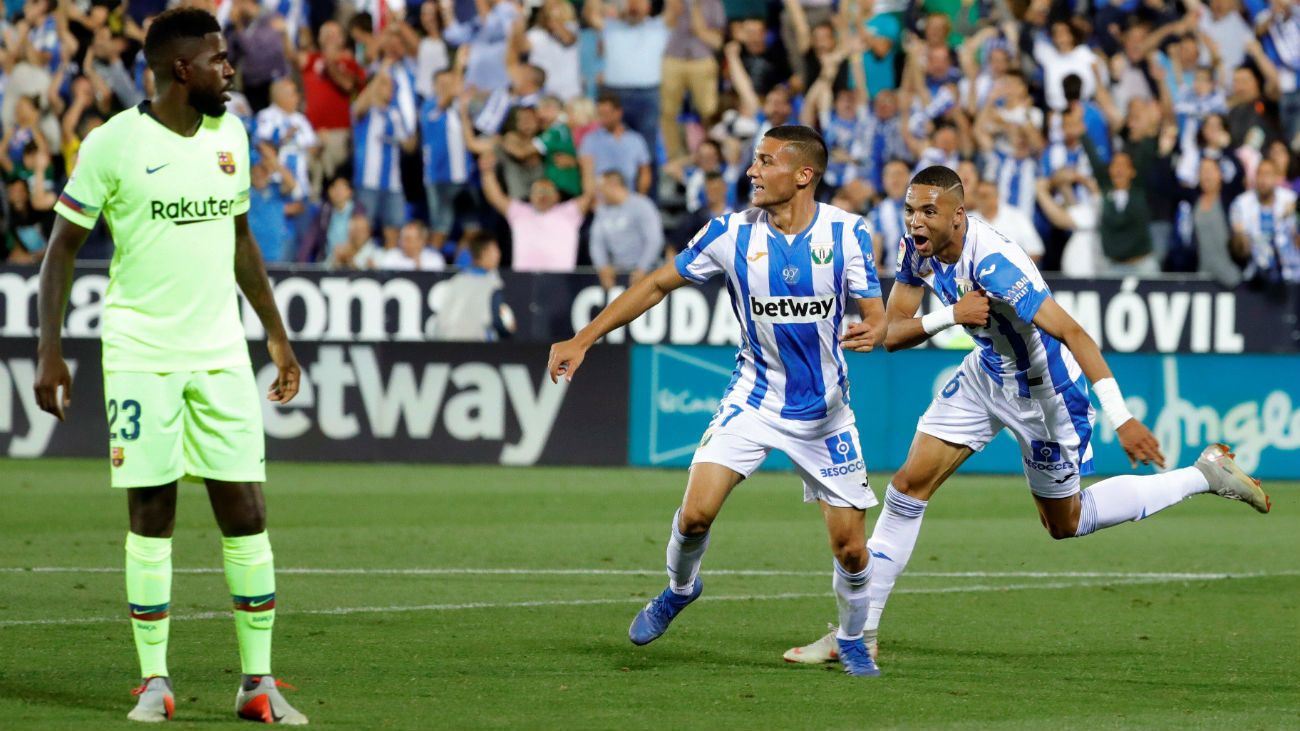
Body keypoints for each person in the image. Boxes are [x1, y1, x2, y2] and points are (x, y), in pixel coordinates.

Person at [783, 165, 1270, 668]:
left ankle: (1203, 475)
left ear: (958, 214)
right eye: (910, 210)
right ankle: (859, 633)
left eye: (929, 211)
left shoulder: (995, 264)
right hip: (985, 374)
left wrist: (1122, 418)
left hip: (1044, 395)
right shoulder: (917, 249)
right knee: (907, 487)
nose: (915, 221)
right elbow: (893, 333)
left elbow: (1074, 333)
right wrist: (951, 315)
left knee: (1065, 522)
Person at [32, 8, 308, 724]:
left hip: (220, 352)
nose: (230, 69)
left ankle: (257, 683)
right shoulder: (112, 144)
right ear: (181, 69)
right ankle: (154, 681)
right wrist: (50, 349)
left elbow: (241, 238)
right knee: (151, 512)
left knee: (247, 511)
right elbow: (61, 248)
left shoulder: (232, 135)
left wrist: (276, 335)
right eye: (218, 58)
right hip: (141, 354)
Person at [547, 125, 888, 677]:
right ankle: (680, 588)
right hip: (752, 401)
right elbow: (656, 285)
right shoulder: (729, 233)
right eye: (754, 160)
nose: (752, 170)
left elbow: (876, 313)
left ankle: (851, 639)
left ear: (803, 174)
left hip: (825, 415)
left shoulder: (848, 233)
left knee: (851, 548)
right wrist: (583, 338)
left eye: (766, 161)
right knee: (695, 515)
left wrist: (873, 329)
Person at [478, 148, 592, 272]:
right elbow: (495, 197)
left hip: (561, 278)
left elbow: (589, 195)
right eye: (538, 191)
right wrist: (487, 172)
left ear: (557, 197)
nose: (542, 195)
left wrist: (587, 169)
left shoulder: (569, 212)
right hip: (524, 278)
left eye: (547, 191)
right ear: (531, 196)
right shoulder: (519, 211)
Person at [430, 229, 516, 341]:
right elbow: (501, 324)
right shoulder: (491, 284)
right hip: (475, 346)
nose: (499, 254)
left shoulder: (456, 280)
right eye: (495, 250)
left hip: (445, 344)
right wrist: (510, 327)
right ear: (484, 253)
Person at [589, 170, 664, 289]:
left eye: (601, 188)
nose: (599, 193)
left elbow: (654, 240)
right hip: (618, 272)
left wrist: (642, 268)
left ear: (613, 185)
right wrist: (602, 267)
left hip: (647, 271)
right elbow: (596, 243)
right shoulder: (602, 210)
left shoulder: (642, 205)